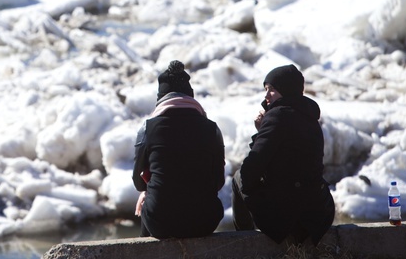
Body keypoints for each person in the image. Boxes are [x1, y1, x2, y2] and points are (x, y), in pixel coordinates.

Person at [232, 64, 335, 245]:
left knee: (238, 177)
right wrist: (262, 131)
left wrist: (262, 131)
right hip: (317, 215)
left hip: (287, 218)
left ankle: (243, 242)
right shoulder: (311, 118)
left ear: (285, 89)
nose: (266, 96)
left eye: (271, 89)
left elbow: (250, 171)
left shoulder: (277, 116)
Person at [132, 60, 225, 239]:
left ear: (161, 99)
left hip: (162, 224)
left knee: (148, 202)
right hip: (205, 222)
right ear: (190, 97)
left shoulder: (147, 129)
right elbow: (218, 181)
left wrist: (151, 188)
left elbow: (138, 182)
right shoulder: (212, 129)